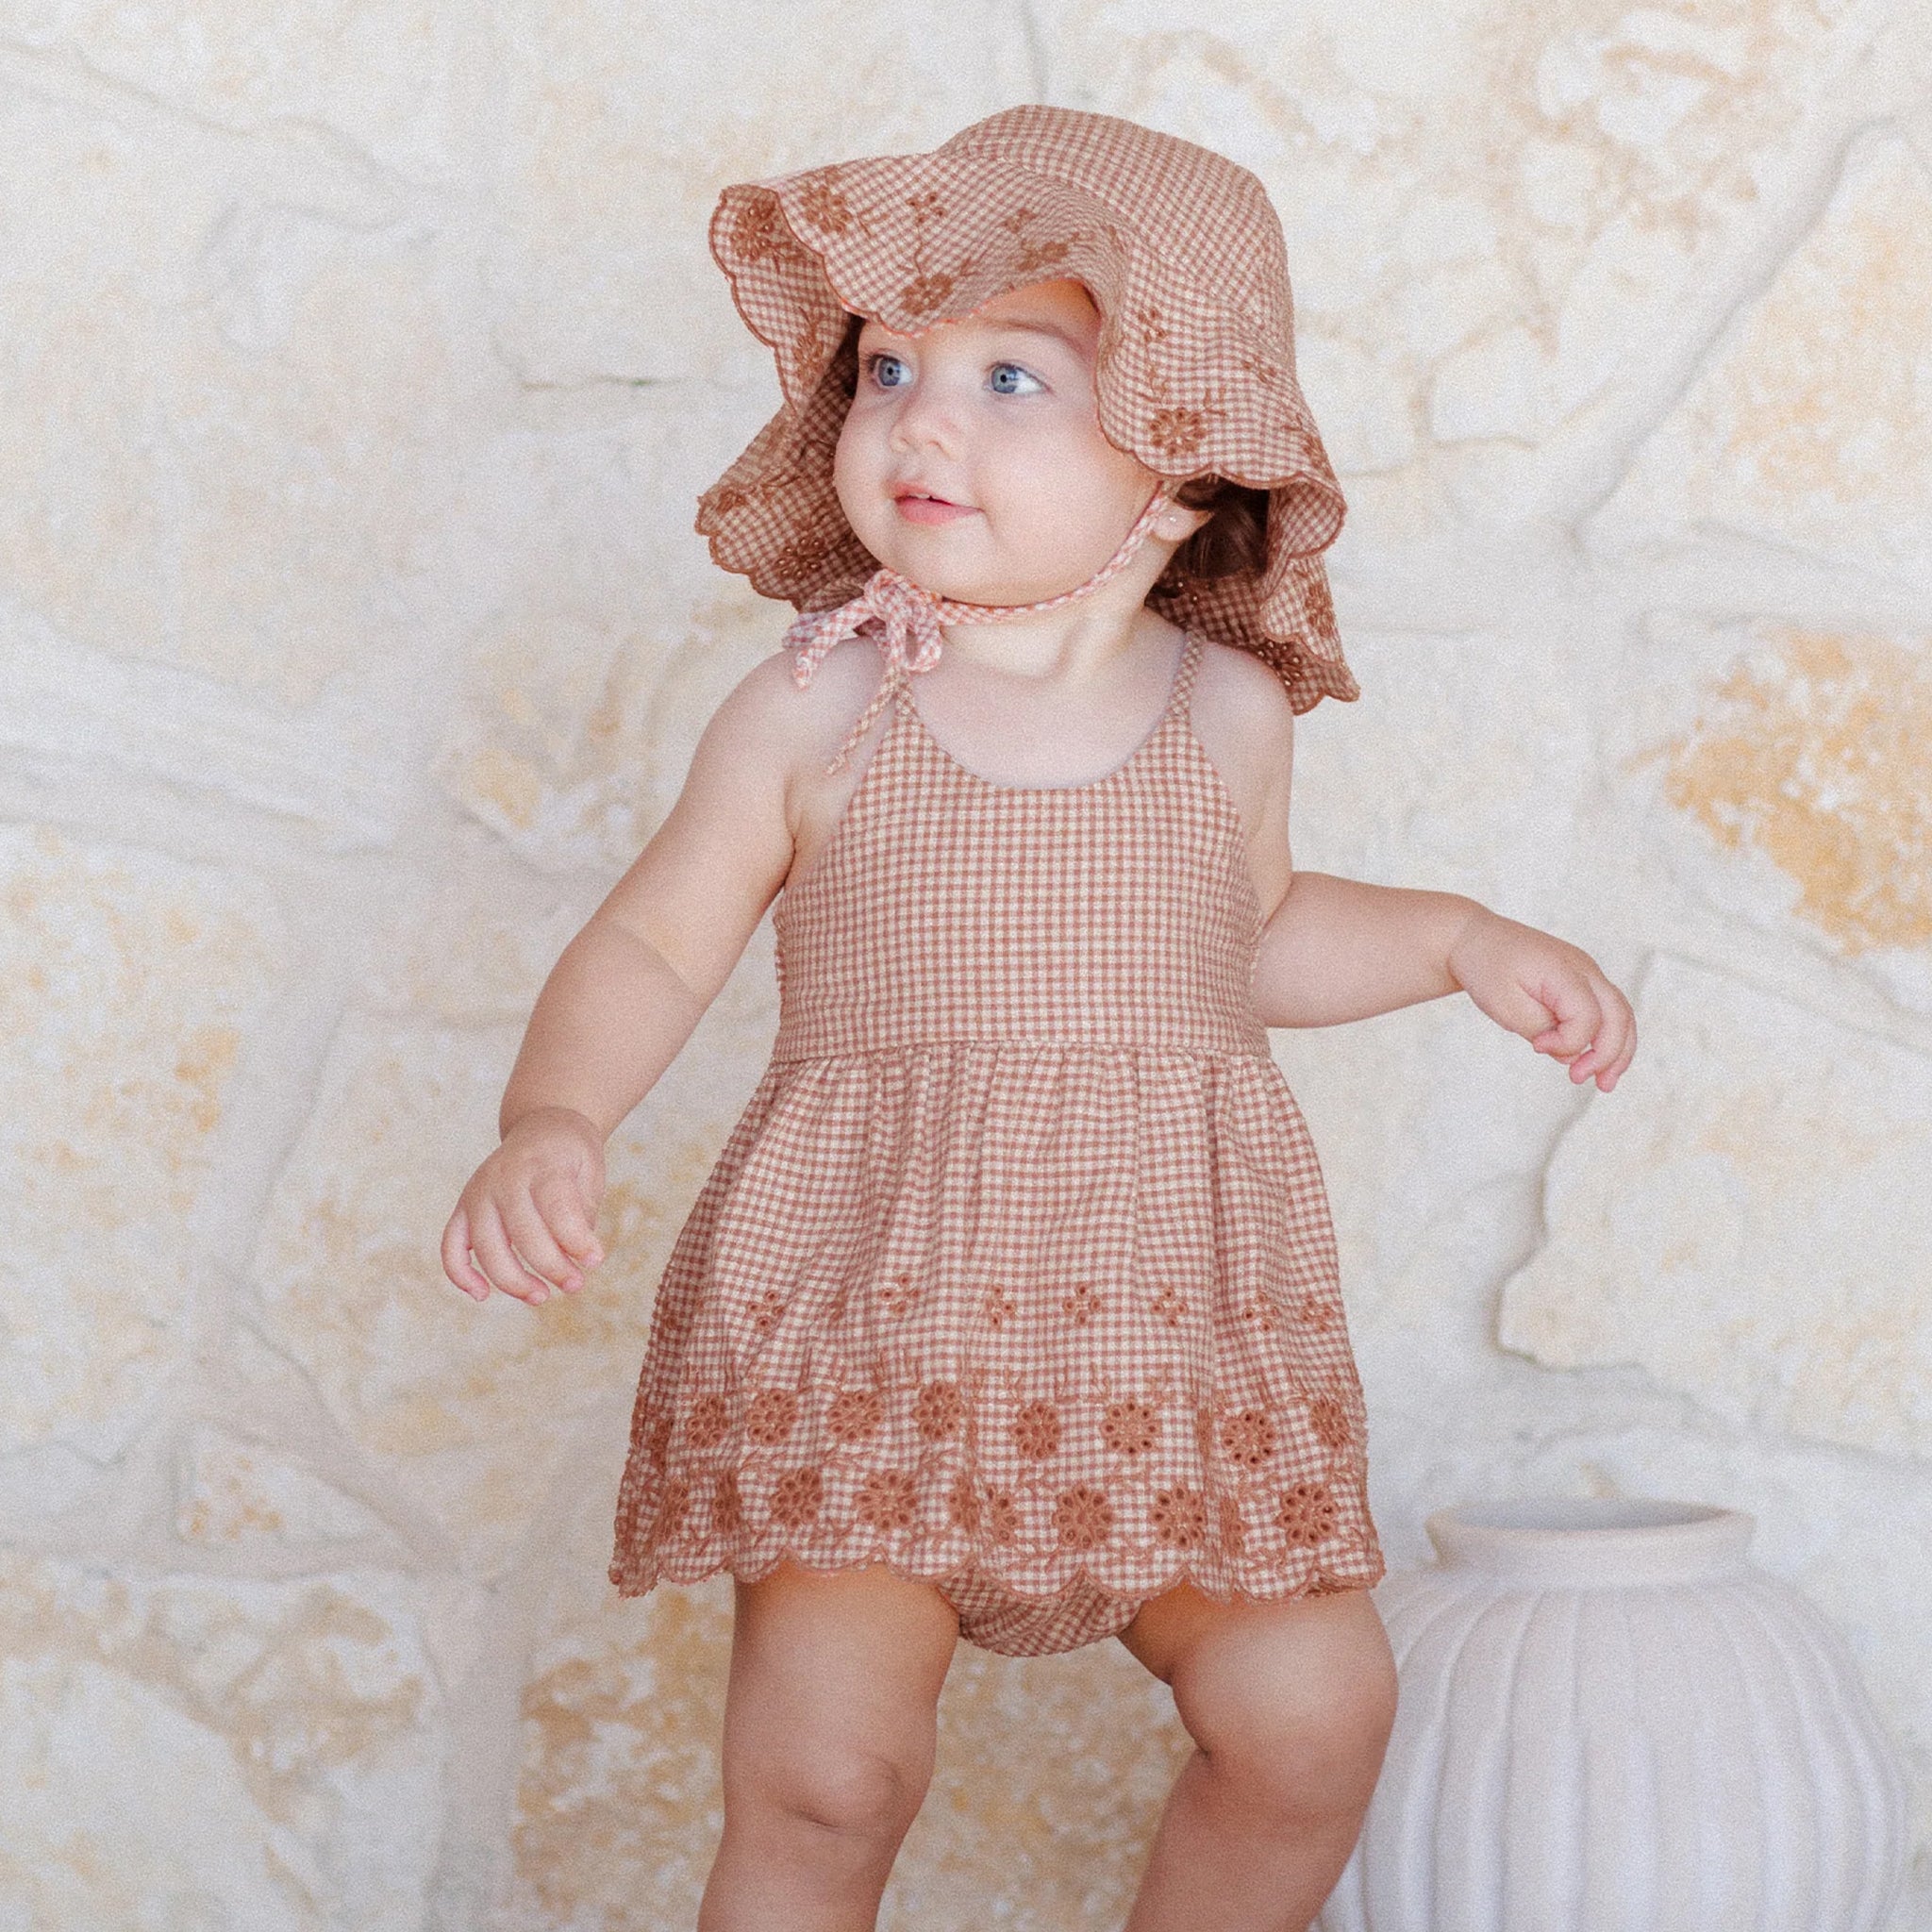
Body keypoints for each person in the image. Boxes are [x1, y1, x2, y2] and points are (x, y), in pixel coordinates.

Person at [441, 106, 1637, 1932]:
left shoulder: (1226, 710)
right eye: (890, 367)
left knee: (1308, 1719)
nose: (920, 415)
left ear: (1182, 463)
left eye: (1015, 375)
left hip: (1163, 1344)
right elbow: (658, 943)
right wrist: (555, 1117)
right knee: (828, 1782)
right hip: (873, 1323)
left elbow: (1230, 946)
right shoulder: (815, 707)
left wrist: (1451, 938)